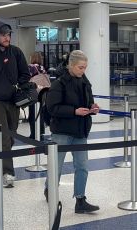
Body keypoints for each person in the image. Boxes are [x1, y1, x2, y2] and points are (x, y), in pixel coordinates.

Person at [44, 50, 100, 214]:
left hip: (80, 131)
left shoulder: (85, 82)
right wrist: (74, 111)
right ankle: (50, 190)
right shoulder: (59, 83)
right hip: (62, 131)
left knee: (82, 166)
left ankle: (80, 200)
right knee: (57, 166)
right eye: (81, 67)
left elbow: (89, 100)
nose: (83, 71)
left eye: (85, 67)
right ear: (71, 65)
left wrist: (92, 108)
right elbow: (52, 108)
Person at [0, 21, 30, 187]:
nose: (7, 37)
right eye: (3, 34)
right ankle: (8, 173)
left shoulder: (16, 52)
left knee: (11, 136)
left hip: (13, 100)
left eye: (8, 34)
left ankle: (2, 158)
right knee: (5, 136)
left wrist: (19, 85)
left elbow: (25, 73)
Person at [28, 51, 46, 139]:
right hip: (42, 93)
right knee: (40, 114)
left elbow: (27, 78)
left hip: (34, 93)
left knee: (32, 115)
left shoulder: (31, 67)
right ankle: (41, 134)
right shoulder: (42, 68)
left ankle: (33, 134)